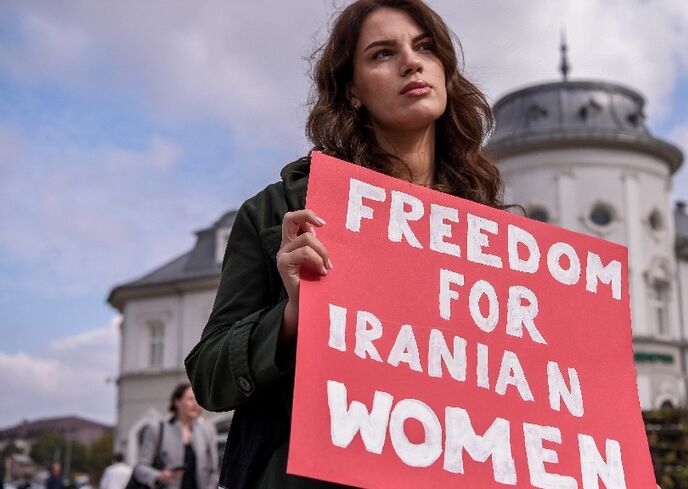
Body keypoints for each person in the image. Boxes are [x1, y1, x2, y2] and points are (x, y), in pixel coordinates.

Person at [184, 0, 504, 487]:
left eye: (425, 48)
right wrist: (291, 317)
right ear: (352, 91)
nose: (411, 62)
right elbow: (209, 377)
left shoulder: (493, 231)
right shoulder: (280, 212)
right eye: (381, 53)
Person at [131, 383, 219, 489]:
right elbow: (140, 468)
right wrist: (159, 476)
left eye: (199, 399)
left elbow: (214, 471)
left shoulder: (207, 432)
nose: (196, 404)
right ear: (177, 402)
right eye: (191, 399)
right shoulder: (157, 429)